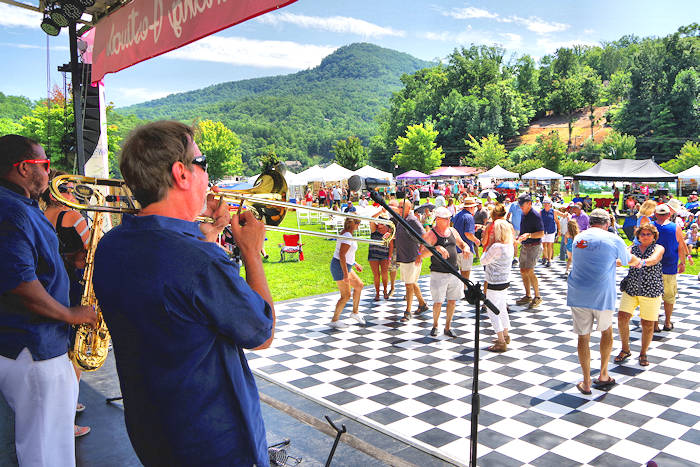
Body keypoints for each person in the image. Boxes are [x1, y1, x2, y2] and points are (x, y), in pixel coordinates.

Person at [92, 121, 275, 466]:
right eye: (203, 164)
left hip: (155, 431)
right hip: (214, 441)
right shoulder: (199, 261)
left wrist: (209, 234)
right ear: (182, 173)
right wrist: (251, 252)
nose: (209, 177)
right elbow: (261, 332)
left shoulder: (111, 245)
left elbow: (174, 297)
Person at [0, 134, 96, 466]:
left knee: (52, 443)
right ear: (25, 168)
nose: (50, 171)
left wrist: (68, 261)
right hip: (35, 347)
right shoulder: (13, 211)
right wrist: (71, 314)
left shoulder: (20, 206)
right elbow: (19, 283)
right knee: (45, 449)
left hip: (38, 345)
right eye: (44, 164)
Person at [42, 173, 92, 438]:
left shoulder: (41, 216)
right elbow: (92, 247)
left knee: (63, 345)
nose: (73, 195)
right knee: (76, 347)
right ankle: (67, 413)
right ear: (58, 193)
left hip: (52, 283)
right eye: (70, 190)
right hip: (74, 282)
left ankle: (68, 405)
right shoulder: (73, 217)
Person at [567, 208, 636, 395]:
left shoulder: (579, 238)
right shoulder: (614, 239)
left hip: (578, 292)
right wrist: (641, 262)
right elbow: (627, 260)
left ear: (590, 223)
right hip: (602, 293)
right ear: (608, 224)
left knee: (583, 336)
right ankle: (604, 374)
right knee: (606, 331)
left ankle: (587, 381)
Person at [415, 207, 470, 338]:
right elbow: (421, 254)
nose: (449, 220)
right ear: (438, 219)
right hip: (438, 273)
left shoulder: (452, 231)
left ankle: (448, 327)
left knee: (452, 301)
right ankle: (435, 325)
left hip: (453, 271)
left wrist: (466, 248)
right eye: (446, 219)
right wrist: (436, 249)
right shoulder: (431, 234)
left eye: (449, 218)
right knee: (438, 302)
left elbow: (462, 244)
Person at [615, 224, 665, 368]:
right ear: (638, 236)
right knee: (622, 317)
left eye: (649, 234)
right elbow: (621, 259)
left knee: (647, 324)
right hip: (631, 288)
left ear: (654, 236)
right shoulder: (632, 248)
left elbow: (654, 260)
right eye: (642, 234)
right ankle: (625, 349)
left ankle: (643, 353)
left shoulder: (658, 248)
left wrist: (638, 262)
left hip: (651, 291)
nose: (645, 236)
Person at [480, 219, 515, 352]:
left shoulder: (496, 247)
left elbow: (483, 261)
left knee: (492, 311)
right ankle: (505, 334)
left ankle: (500, 340)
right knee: (502, 308)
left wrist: (488, 246)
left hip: (494, 282)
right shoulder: (509, 245)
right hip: (505, 281)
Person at [652, 203, 688, 333]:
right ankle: (667, 322)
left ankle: (655, 324)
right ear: (669, 214)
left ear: (656, 214)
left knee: (654, 296)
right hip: (670, 267)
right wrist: (682, 263)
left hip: (653, 268)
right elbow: (681, 247)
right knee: (669, 297)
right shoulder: (676, 228)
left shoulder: (650, 227)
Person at [394, 199, 428, 322]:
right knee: (412, 282)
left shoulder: (412, 220)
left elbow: (424, 236)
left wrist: (420, 254)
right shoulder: (401, 220)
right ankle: (422, 304)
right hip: (404, 257)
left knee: (408, 285)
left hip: (412, 257)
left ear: (409, 208)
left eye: (402, 206)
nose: (399, 208)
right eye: (399, 206)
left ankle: (407, 312)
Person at [330, 218, 366, 326]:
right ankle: (334, 320)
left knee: (359, 286)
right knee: (345, 296)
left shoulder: (347, 233)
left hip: (345, 265)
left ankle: (355, 312)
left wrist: (354, 263)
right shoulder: (347, 236)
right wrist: (346, 274)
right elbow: (341, 254)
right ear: (355, 224)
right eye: (358, 223)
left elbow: (346, 253)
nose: (359, 225)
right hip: (340, 267)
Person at [515, 194, 544, 309]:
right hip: (525, 245)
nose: (521, 206)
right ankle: (528, 295)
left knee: (530, 270)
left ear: (529, 203)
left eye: (523, 204)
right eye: (520, 204)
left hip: (534, 246)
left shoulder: (535, 215)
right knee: (523, 270)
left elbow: (541, 233)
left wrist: (530, 235)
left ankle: (537, 296)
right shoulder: (524, 214)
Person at [452, 198, 480, 281]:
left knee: (458, 274)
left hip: (456, 248)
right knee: (466, 273)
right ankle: (465, 291)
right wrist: (476, 240)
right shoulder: (469, 217)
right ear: (471, 207)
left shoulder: (458, 215)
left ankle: (460, 291)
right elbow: (468, 234)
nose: (475, 209)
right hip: (466, 249)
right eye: (474, 207)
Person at [368, 211, 392, 301]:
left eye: (383, 221)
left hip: (384, 254)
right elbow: (371, 218)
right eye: (379, 221)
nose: (380, 223)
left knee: (384, 274)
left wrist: (390, 257)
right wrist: (380, 212)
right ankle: (377, 293)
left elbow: (391, 244)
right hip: (373, 254)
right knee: (376, 275)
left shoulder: (389, 230)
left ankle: (385, 291)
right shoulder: (374, 228)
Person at [539, 198, 557, 267]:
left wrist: (559, 231)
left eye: (547, 204)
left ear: (550, 205)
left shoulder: (553, 211)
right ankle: (545, 257)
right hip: (543, 230)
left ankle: (549, 260)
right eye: (545, 204)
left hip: (551, 230)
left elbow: (557, 221)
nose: (546, 205)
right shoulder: (541, 212)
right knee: (543, 245)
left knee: (549, 245)